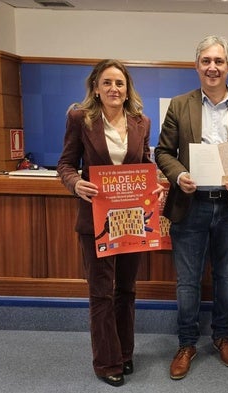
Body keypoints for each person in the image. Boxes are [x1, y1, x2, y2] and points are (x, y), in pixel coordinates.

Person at [155, 35, 228, 380]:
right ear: (197, 66)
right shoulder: (179, 105)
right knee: (187, 281)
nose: (212, 67)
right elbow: (162, 152)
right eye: (206, 61)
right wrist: (179, 176)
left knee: (226, 277)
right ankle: (187, 343)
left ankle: (221, 336)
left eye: (219, 61)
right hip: (191, 205)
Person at [57, 59, 161, 387]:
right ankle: (106, 362)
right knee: (101, 292)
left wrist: (155, 185)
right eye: (107, 83)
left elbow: (145, 164)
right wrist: (75, 183)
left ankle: (125, 353)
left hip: (131, 220)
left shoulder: (140, 122)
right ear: (96, 88)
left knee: (126, 290)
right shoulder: (80, 119)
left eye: (120, 83)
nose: (114, 89)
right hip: (96, 219)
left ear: (127, 88)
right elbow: (65, 164)